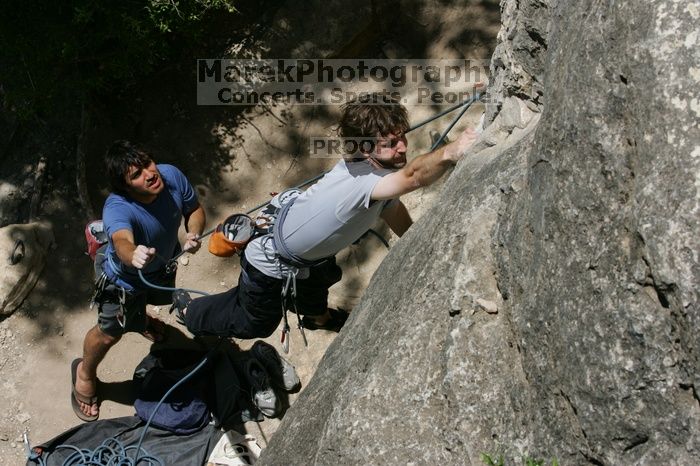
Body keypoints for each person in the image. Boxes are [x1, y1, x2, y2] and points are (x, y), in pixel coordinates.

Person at [176, 93, 477, 342]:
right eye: (390, 143)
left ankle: (318, 318)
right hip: (268, 261)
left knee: (319, 282)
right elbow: (413, 176)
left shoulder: (372, 171)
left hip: (297, 246)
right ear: (364, 147)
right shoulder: (365, 184)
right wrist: (453, 152)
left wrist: (419, 241)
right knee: (254, 322)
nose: (402, 148)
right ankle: (191, 311)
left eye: (401, 137)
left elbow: (393, 208)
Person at [71, 140, 206, 421]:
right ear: (126, 187)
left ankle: (140, 320)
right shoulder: (118, 207)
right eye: (136, 175)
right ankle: (84, 373)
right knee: (109, 333)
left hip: (161, 269)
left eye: (147, 163)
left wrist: (192, 233)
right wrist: (133, 255)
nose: (149, 173)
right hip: (123, 282)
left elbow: (194, 210)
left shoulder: (170, 176)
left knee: (156, 299)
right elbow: (120, 240)